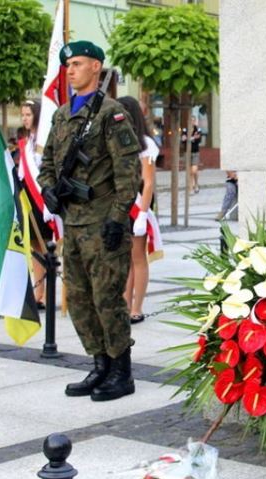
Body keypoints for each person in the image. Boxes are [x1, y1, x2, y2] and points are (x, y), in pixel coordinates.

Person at [37, 41, 142, 402]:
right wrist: (49, 189)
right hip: (75, 223)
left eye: (78, 64)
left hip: (103, 221)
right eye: (68, 65)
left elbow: (129, 172)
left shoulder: (111, 113)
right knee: (80, 299)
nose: (70, 71)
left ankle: (120, 371)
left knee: (107, 298)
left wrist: (117, 219)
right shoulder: (62, 114)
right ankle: (99, 365)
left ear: (96, 67)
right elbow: (48, 162)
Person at [117, 96, 159, 324]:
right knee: (124, 259)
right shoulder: (119, 139)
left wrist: (142, 213)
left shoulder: (145, 143)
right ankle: (124, 304)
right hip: (121, 206)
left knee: (137, 258)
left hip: (138, 206)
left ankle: (137, 307)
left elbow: (149, 182)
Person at [17, 99, 54, 310]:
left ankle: (46, 293)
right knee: (34, 248)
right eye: (22, 115)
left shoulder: (43, 141)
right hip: (29, 200)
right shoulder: (25, 141)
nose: (24, 119)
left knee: (47, 247)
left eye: (28, 115)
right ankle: (38, 292)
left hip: (43, 201)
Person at [181, 116, 202, 193]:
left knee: (194, 170)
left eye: (193, 120)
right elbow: (183, 139)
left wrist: (189, 138)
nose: (192, 122)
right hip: (187, 152)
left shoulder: (198, 129)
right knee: (189, 171)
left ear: (195, 121)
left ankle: (196, 183)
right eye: (190, 120)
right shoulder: (185, 130)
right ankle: (191, 188)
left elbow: (199, 139)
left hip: (195, 152)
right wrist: (193, 138)